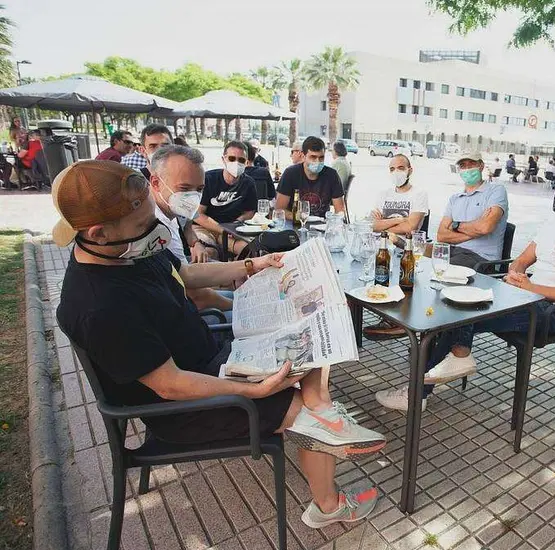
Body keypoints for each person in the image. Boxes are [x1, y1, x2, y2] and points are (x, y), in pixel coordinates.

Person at [54, 160, 386, 528]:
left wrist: (253, 266)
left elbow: (184, 273)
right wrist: (258, 392)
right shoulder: (98, 306)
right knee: (303, 406)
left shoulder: (126, 251)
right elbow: (171, 385)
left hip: (212, 361)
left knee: (314, 353)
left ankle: (322, 412)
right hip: (185, 408)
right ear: (98, 233)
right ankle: (328, 500)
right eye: (142, 226)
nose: (155, 232)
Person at [376, 162, 555, 411]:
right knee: (450, 306)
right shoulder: (553, 223)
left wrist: (532, 288)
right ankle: (447, 366)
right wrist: (517, 275)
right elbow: (522, 260)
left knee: (461, 314)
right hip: (524, 296)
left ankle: (424, 387)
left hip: (548, 312)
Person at [147, 144, 232, 313]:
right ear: (156, 183)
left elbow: (187, 229)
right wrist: (240, 310)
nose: (192, 197)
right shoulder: (154, 227)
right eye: (184, 189)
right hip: (184, 313)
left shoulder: (171, 208)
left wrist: (195, 243)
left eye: (199, 189)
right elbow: (195, 294)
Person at [362, 153, 429, 340]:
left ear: (410, 170)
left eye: (400, 168)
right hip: (384, 245)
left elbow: (411, 227)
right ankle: (387, 318)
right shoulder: (383, 194)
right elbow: (372, 225)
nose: (396, 172)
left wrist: (386, 223)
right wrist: (400, 219)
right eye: (392, 169)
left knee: (398, 274)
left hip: (405, 248)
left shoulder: (419, 194)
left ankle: (397, 322)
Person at [436, 151, 508, 269]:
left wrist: (455, 226)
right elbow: (441, 236)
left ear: (481, 166)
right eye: (463, 166)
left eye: (471, 164)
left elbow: (485, 227)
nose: (467, 169)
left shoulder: (496, 191)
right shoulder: (455, 198)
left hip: (481, 258)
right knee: (417, 257)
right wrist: (476, 231)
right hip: (453, 251)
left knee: (441, 269)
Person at [192, 140, 259, 259]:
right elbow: (197, 214)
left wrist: (238, 222)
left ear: (247, 162)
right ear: (224, 159)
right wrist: (222, 230)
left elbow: (250, 211)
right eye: (232, 159)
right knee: (208, 253)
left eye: (241, 160)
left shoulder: (248, 183)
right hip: (205, 227)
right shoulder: (208, 179)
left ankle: (239, 276)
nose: (236, 163)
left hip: (232, 230)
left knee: (249, 250)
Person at [275, 136, 346, 219]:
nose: (317, 161)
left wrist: (334, 222)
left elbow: (340, 210)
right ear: (303, 156)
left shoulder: (331, 175)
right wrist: (300, 217)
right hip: (295, 224)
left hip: (321, 226)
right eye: (313, 157)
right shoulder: (290, 174)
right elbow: (279, 210)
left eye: (321, 157)